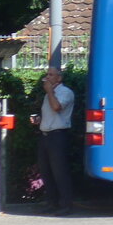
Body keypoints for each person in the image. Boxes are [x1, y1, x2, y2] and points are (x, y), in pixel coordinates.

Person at [33, 67, 75, 216]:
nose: (47, 77)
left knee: (59, 171)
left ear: (59, 78)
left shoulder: (65, 92)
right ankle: (52, 203)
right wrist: (39, 119)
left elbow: (57, 107)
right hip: (45, 136)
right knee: (46, 171)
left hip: (58, 136)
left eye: (51, 75)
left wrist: (50, 91)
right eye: (47, 74)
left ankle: (65, 204)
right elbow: (50, 112)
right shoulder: (47, 95)